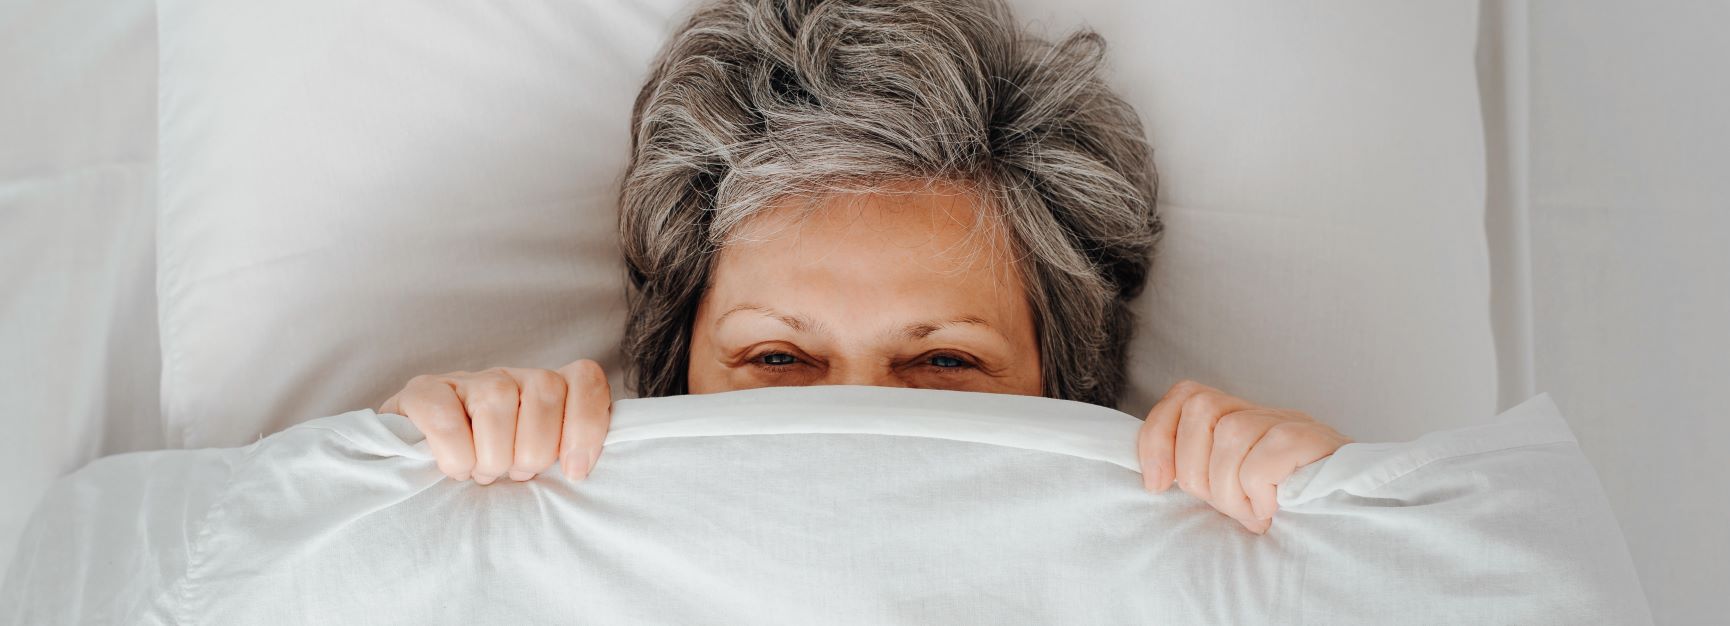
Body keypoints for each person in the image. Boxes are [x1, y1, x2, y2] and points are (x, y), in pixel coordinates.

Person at [379, 0, 1349, 535]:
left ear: (1066, 389)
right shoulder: (534, 535)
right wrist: (408, 488)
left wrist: (1326, 526)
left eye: (944, 362)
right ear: (674, 378)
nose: (852, 424)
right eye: (776, 358)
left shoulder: (1196, 566)